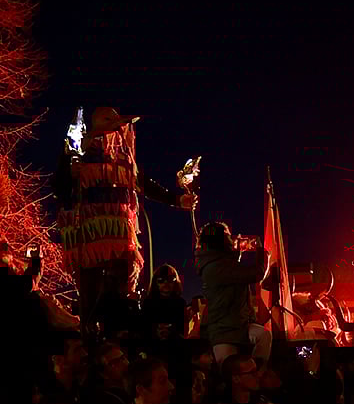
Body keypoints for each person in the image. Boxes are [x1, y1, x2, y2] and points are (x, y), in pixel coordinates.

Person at [53, 106, 197, 334]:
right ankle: (91, 337)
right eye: (115, 128)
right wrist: (70, 175)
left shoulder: (124, 158)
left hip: (119, 236)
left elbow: (143, 183)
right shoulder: (76, 152)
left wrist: (177, 200)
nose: (120, 133)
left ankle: (118, 338)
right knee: (92, 294)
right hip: (89, 237)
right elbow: (58, 188)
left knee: (119, 294)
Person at [196, 222, 272, 366]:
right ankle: (256, 373)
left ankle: (256, 373)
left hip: (237, 325)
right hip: (224, 331)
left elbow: (232, 273)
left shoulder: (215, 263)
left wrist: (238, 252)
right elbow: (256, 274)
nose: (232, 239)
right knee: (229, 373)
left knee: (263, 335)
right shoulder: (215, 267)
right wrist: (262, 252)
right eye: (227, 236)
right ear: (220, 240)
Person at [142, 264, 186, 346]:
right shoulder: (149, 302)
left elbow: (182, 327)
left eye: (169, 280)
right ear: (156, 283)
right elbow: (144, 326)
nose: (165, 283)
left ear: (175, 282)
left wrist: (171, 330)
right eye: (161, 280)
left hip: (175, 344)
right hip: (153, 345)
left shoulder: (180, 303)